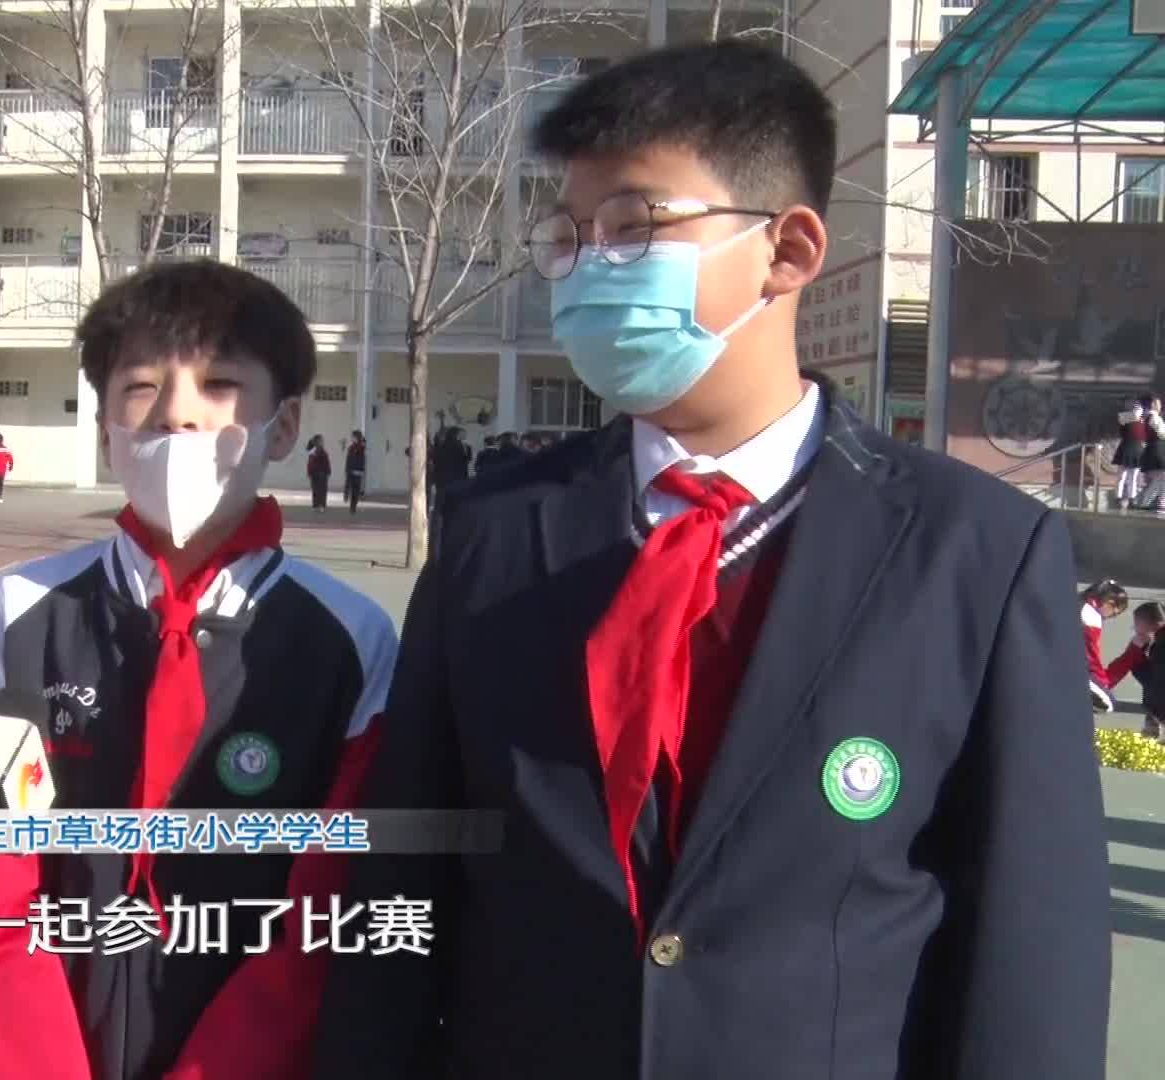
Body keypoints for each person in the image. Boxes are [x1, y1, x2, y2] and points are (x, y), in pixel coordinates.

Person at [314, 41, 1108, 1080]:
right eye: (569, 237)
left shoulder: (976, 554)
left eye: (634, 226)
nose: (590, 266)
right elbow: (405, 884)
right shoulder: (494, 536)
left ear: (789, 250)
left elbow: (1029, 953)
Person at [0, 259, 399, 1080]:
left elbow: (329, 905)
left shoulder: (353, 639)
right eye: (140, 387)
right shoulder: (16, 613)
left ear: (282, 427)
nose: (177, 412)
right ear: (106, 427)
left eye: (220, 384)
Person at [1108, 600, 1165, 739]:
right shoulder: (1158, 645)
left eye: (1136, 624)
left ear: (1145, 623)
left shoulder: (1160, 647)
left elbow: (1156, 684)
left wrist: (1136, 656)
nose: (1135, 629)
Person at [1083, 578, 1131, 714]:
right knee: (1109, 703)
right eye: (1114, 614)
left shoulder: (1078, 603)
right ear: (1109, 603)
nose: (1110, 617)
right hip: (1077, 667)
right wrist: (1101, 680)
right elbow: (1091, 654)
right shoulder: (1092, 617)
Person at [343, 429, 366, 514]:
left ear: (356, 437)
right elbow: (348, 459)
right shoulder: (351, 447)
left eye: (353, 436)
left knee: (355, 490)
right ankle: (346, 496)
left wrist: (360, 470)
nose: (351, 438)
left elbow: (361, 460)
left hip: (356, 470)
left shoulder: (360, 447)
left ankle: (353, 507)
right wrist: (346, 469)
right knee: (348, 485)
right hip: (350, 469)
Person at [306, 433, 332, 510]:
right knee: (315, 489)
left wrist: (328, 471)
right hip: (315, 473)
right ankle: (316, 505)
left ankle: (322, 505)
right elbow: (310, 463)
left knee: (322, 490)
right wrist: (309, 472)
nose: (322, 442)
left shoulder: (322, 451)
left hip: (322, 474)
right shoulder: (313, 451)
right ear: (317, 442)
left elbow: (326, 462)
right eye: (321, 440)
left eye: (322, 440)